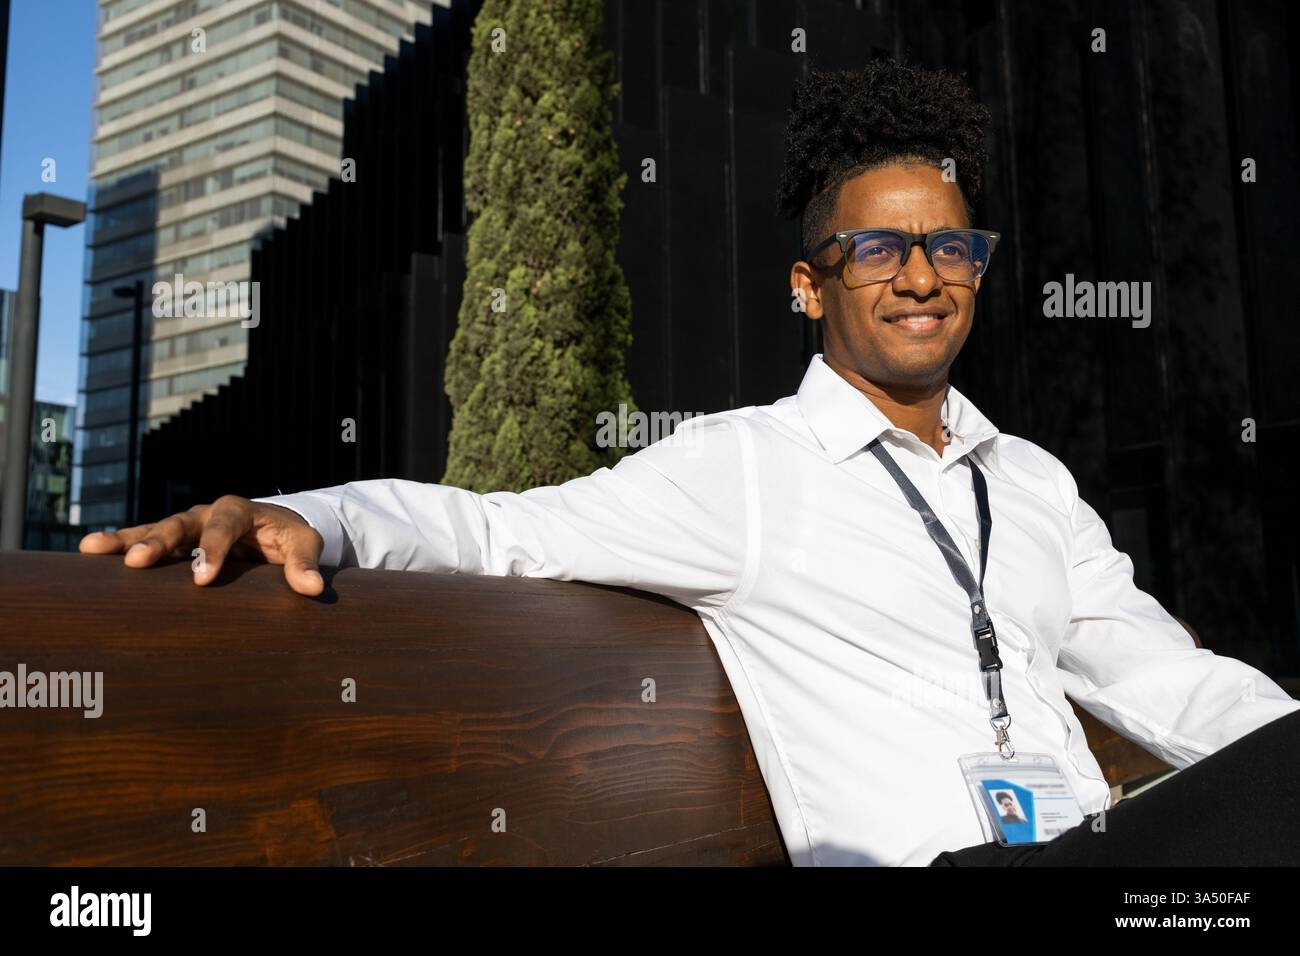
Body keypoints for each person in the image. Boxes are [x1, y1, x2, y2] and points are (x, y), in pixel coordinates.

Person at [79, 59, 1300, 867]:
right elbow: (507, 529)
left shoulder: (1029, 477)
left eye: (951, 245)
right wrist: (304, 511)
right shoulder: (746, 470)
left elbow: (1168, 681)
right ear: (807, 283)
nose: (922, 276)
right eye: (878, 248)